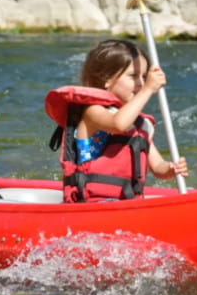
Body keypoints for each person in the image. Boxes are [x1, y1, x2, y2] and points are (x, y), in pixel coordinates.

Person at [45, 39, 188, 203]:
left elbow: (158, 167)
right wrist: (149, 89)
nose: (141, 84)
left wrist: (171, 168)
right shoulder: (93, 112)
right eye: (133, 76)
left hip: (127, 202)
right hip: (91, 203)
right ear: (107, 79)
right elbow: (118, 125)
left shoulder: (139, 124)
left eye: (144, 76)